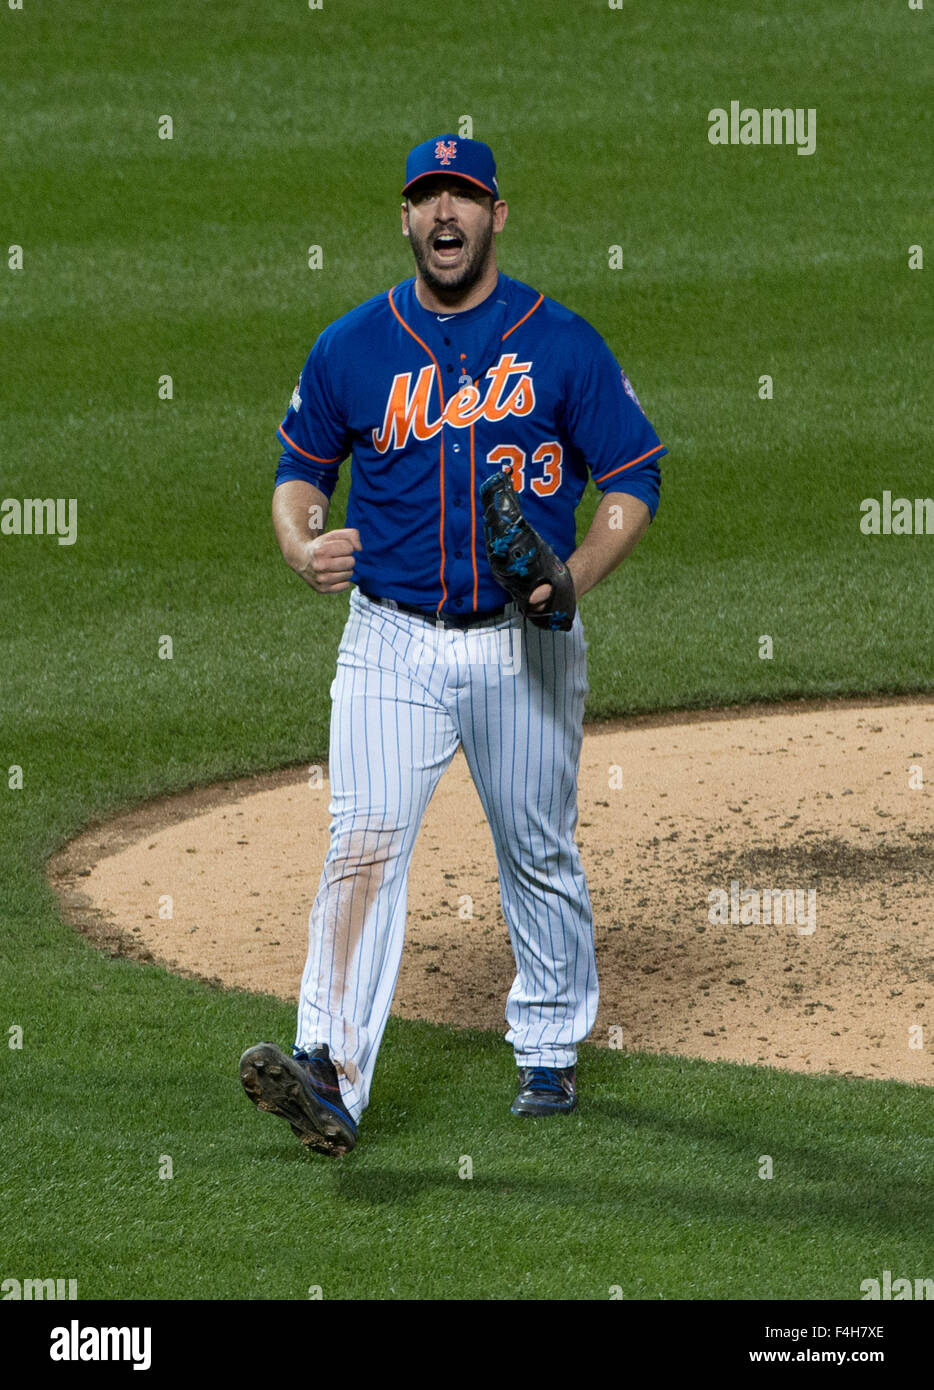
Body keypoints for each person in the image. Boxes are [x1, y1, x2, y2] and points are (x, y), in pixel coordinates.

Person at [239, 134, 667, 1156]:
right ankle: (328, 1070)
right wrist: (301, 542)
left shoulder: (560, 342)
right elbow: (299, 471)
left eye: (463, 197)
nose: (444, 214)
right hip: (388, 641)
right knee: (362, 844)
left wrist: (574, 580)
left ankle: (551, 1044)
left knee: (536, 848)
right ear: (404, 217)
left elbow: (633, 477)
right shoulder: (351, 345)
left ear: (496, 215)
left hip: (526, 642)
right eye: (427, 197)